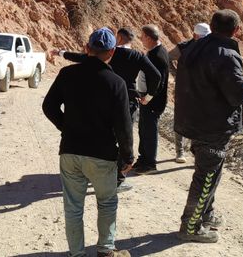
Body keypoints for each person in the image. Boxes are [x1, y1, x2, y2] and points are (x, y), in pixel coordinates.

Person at [43, 27, 133, 257]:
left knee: (73, 207)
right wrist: (127, 156)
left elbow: (49, 106)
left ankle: (77, 253)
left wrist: (67, 127)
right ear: (112, 52)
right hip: (102, 154)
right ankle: (105, 250)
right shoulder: (116, 83)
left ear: (86, 48)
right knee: (107, 202)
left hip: (70, 150)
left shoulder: (67, 75)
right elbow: (123, 126)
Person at [175, 10, 243, 243]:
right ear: (237, 30)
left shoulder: (193, 47)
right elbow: (237, 93)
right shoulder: (227, 55)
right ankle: (190, 226)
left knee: (210, 172)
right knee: (207, 176)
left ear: (211, 26)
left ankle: (206, 214)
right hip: (213, 125)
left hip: (193, 120)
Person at [51, 27, 160, 192]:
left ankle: (92, 173)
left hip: (102, 100)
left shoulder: (104, 55)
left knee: (102, 136)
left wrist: (61, 53)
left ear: (119, 39)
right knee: (122, 135)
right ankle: (117, 179)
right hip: (128, 101)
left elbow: (81, 57)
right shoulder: (136, 56)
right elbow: (156, 75)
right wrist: (148, 96)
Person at [168, 22, 211, 163]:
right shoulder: (183, 47)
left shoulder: (209, 48)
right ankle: (179, 152)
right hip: (184, 91)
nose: (204, 39)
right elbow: (167, 58)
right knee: (181, 120)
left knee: (198, 122)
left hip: (201, 92)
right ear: (194, 35)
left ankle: (196, 154)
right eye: (202, 37)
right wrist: (176, 74)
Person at [132, 25, 169, 175]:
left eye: (142, 36)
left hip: (153, 101)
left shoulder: (158, 55)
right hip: (148, 99)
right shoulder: (155, 52)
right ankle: (143, 158)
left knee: (149, 131)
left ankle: (150, 163)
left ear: (148, 37)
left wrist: (148, 97)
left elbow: (158, 80)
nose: (141, 39)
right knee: (143, 129)